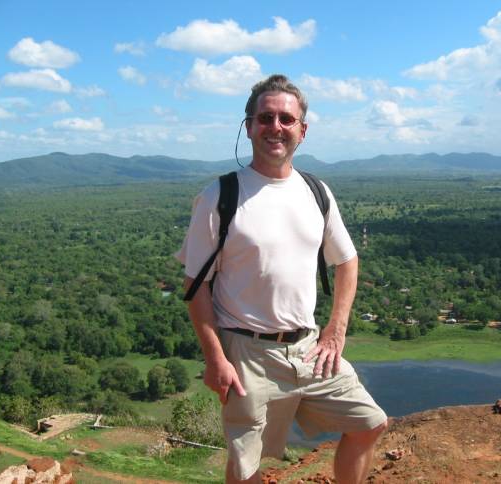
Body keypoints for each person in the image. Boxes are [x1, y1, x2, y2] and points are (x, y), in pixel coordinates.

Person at [176, 74, 387, 483]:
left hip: (309, 347)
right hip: (247, 352)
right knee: (246, 467)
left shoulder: (316, 191)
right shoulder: (219, 196)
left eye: (286, 120)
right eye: (266, 118)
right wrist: (215, 358)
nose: (276, 127)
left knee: (369, 423)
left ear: (302, 131)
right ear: (249, 126)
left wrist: (336, 329)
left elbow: (347, 260)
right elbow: (195, 286)